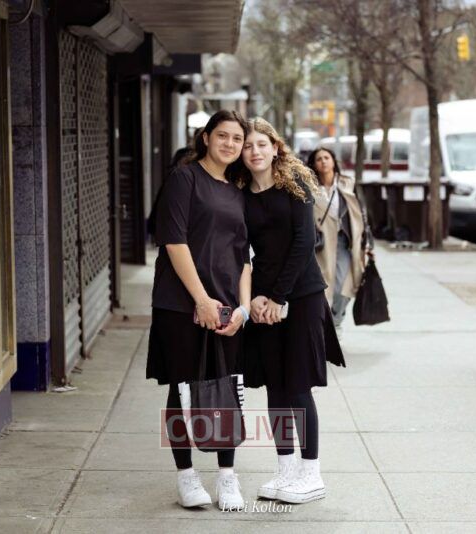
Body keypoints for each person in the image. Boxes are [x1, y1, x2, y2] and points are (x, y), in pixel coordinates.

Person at [235, 118, 345, 504]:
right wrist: (255, 299)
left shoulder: (295, 185)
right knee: (276, 386)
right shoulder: (241, 194)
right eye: (248, 145)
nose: (255, 151)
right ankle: (286, 470)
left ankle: (311, 473)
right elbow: (242, 250)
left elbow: (304, 242)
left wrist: (278, 297)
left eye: (261, 144)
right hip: (264, 300)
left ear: (275, 147)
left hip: (301, 295)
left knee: (298, 384)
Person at [146, 110, 252, 509]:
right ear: (206, 137)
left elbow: (244, 257)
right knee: (182, 388)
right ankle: (186, 476)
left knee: (227, 388)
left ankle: (227, 476)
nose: (229, 144)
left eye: (237, 139)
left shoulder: (238, 191)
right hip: (180, 304)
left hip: (226, 306)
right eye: (222, 135)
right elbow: (174, 242)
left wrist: (242, 309)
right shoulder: (184, 178)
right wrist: (201, 300)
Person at [306, 147, 373, 332]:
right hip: (320, 244)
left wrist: (368, 243)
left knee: (344, 285)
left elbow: (362, 214)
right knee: (321, 286)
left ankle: (336, 322)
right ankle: (322, 325)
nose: (323, 161)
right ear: (314, 164)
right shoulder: (309, 187)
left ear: (333, 161)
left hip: (345, 241)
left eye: (326, 157)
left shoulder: (347, 184)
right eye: (319, 159)